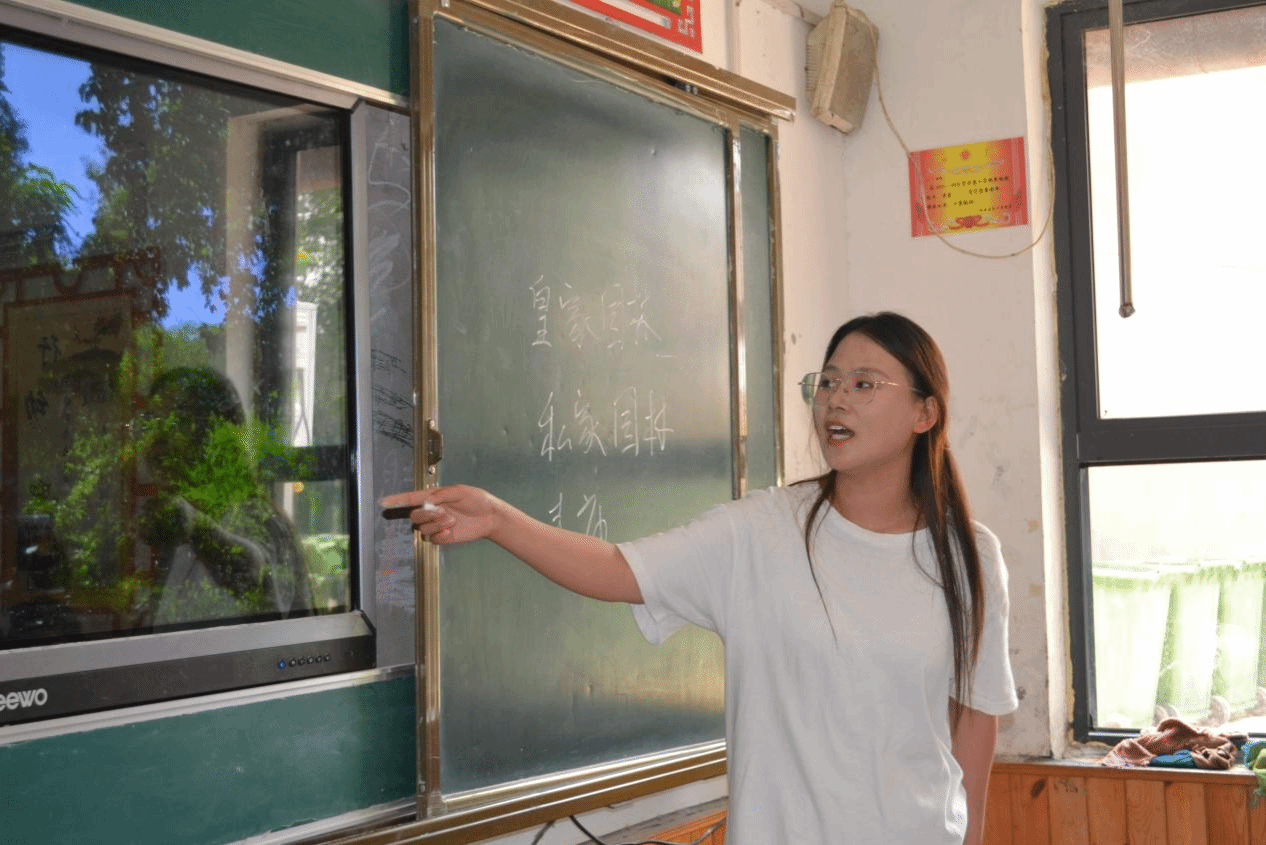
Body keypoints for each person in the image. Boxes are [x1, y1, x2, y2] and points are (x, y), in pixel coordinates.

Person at [382, 311, 1018, 844]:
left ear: (925, 413)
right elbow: (616, 569)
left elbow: (975, 718)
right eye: (826, 382)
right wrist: (501, 520)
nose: (836, 399)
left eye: (863, 383)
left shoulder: (970, 556)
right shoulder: (761, 532)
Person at [137, 366, 314, 627]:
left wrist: (196, 528)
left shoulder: (255, 517)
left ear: (216, 436)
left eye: (179, 422)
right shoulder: (185, 528)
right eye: (151, 423)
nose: (158, 439)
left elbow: (255, 577)